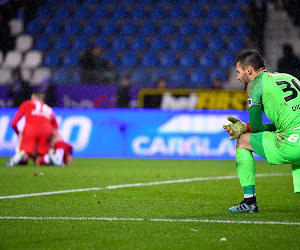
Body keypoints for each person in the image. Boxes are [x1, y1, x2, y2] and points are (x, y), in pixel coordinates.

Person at [223, 50, 300, 213]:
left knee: (243, 140)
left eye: (239, 72)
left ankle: (249, 201)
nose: (237, 77)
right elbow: (288, 123)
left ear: (249, 70)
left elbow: (258, 128)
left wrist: (246, 128)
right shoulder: (287, 77)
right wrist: (248, 126)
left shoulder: (255, 84)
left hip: (292, 144)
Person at [7, 91, 59, 166]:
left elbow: (14, 123)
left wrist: (19, 134)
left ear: (35, 97)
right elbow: (55, 130)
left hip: (30, 129)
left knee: (25, 148)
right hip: (46, 130)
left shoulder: (27, 104)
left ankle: (20, 155)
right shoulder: (48, 108)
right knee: (39, 158)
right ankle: (47, 158)